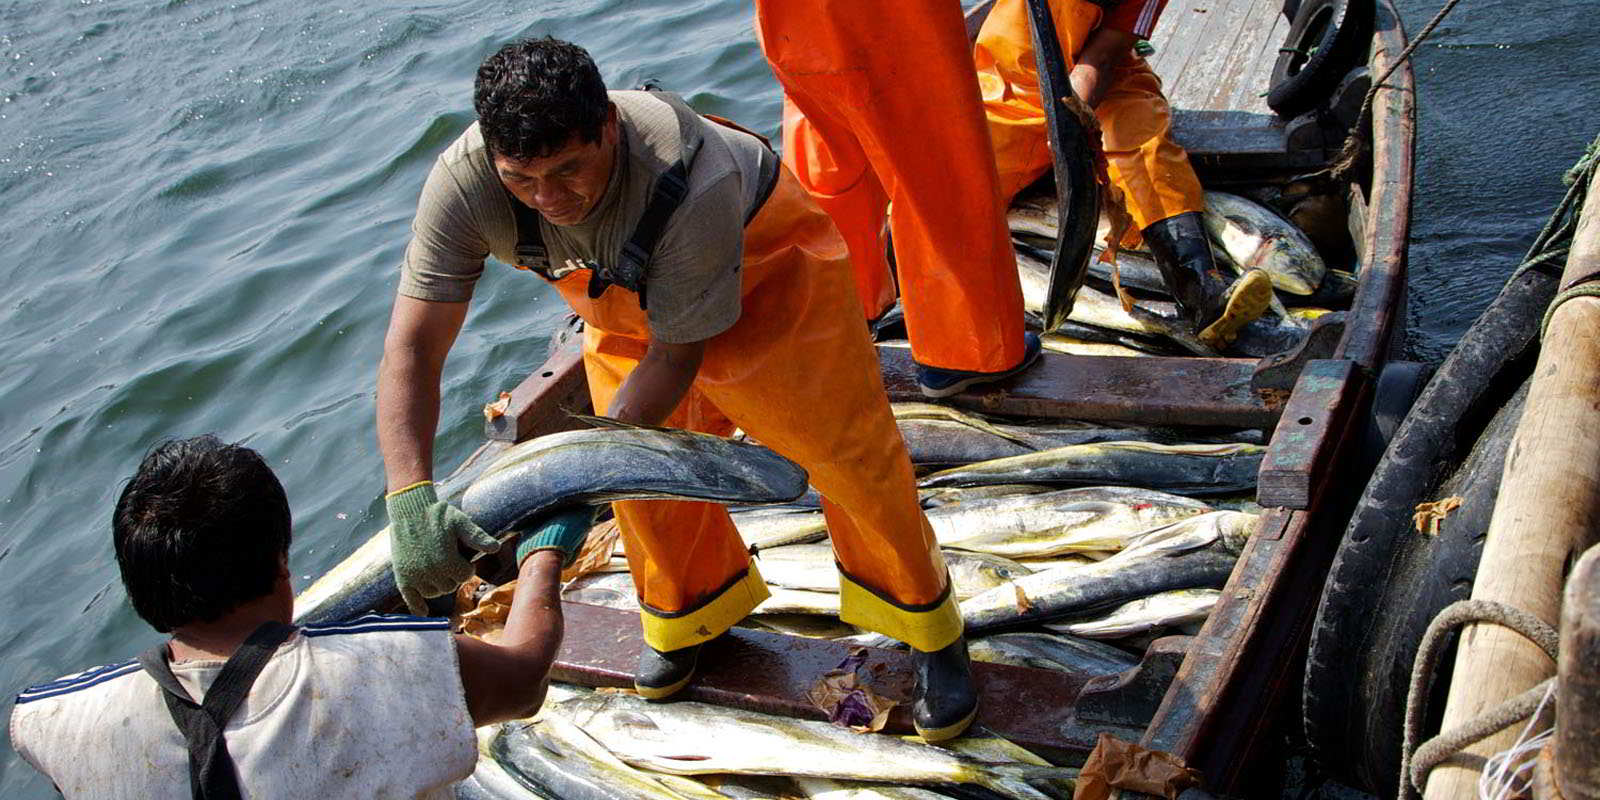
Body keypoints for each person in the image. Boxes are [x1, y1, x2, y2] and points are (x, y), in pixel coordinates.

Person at [376, 38, 980, 740]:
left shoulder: (693, 178)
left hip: (767, 277)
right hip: (624, 302)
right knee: (643, 486)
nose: (549, 199)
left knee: (848, 458)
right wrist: (408, 494)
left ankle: (931, 628)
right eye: (522, 181)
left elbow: (675, 354)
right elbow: (413, 346)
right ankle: (695, 618)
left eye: (570, 170)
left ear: (607, 125)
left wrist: (577, 485)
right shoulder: (465, 183)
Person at [9, 435, 570, 798]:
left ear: (141, 591)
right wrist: (544, 552)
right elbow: (524, 681)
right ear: (281, 565)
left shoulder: (57, 723)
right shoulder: (382, 667)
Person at [782, 0, 1273, 349]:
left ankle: (1201, 291)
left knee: (1147, 149)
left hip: (1104, 76)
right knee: (949, 197)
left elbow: (1112, 44)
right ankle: (886, 311)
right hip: (1008, 86)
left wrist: (1078, 100)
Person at [754, 0, 1042, 398]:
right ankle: (964, 354)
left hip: (790, 22)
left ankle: (843, 323)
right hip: (887, 19)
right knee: (937, 171)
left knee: (832, 154)